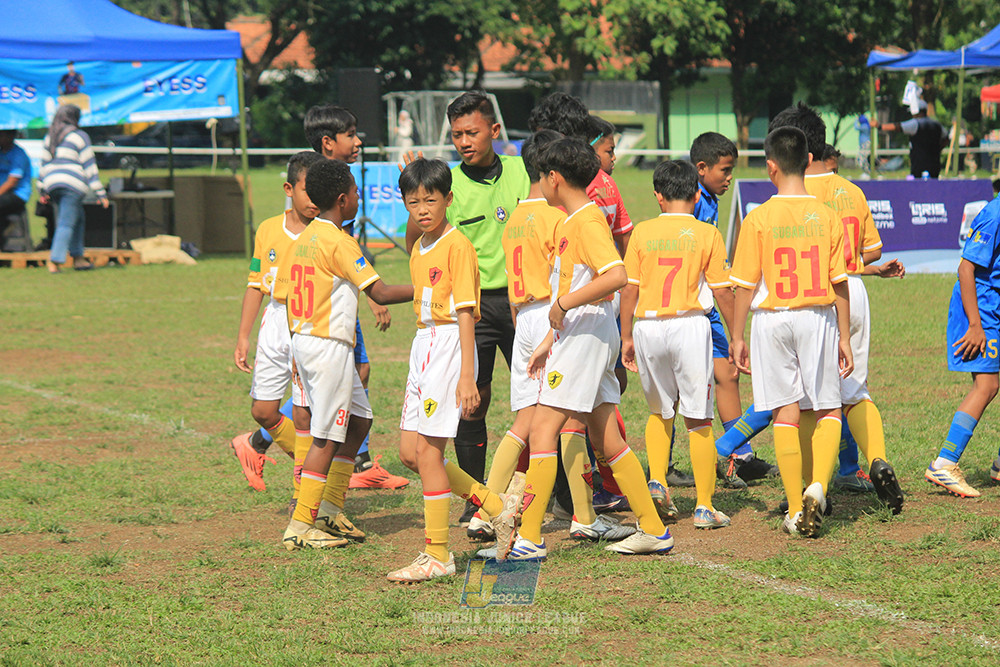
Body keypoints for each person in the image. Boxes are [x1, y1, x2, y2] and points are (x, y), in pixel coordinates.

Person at [494, 137, 673, 560]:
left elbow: (617, 275)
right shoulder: (574, 220)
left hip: (588, 334)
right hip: (581, 333)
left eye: (541, 176)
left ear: (554, 178)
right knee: (605, 435)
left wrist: (562, 306)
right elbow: (575, 286)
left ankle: (530, 538)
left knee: (542, 429)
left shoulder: (585, 222)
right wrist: (548, 339)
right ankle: (653, 529)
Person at [470, 129, 635, 545]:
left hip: (522, 317)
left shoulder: (513, 218)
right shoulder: (560, 214)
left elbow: (511, 282)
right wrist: (554, 321)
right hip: (556, 317)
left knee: (530, 421)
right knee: (560, 424)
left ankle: (489, 511)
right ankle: (559, 517)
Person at [390, 158, 523, 581]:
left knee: (430, 452)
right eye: (414, 202)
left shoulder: (459, 245)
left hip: (449, 345)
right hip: (423, 345)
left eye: (431, 200)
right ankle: (496, 506)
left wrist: (468, 375)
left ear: (448, 199)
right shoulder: (418, 246)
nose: (423, 209)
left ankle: (438, 555)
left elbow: (467, 313)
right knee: (410, 454)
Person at [404, 91, 530, 528]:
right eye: (456, 134)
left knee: (539, 400)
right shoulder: (447, 187)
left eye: (472, 132)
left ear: (494, 131)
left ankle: (551, 492)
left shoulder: (522, 171)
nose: (464, 142)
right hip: (471, 309)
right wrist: (416, 192)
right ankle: (476, 501)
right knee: (470, 405)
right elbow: (420, 245)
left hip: (523, 304)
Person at [774, 103, 905, 514]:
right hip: (855, 289)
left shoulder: (791, 194)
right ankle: (877, 457)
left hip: (810, 298)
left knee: (810, 401)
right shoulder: (852, 191)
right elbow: (872, 250)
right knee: (854, 391)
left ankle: (815, 487)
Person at [280, 158, 413, 550]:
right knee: (326, 436)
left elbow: (290, 295)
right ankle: (301, 526)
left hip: (307, 341)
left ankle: (329, 510)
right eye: (355, 192)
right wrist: (431, 287)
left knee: (359, 422)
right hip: (327, 347)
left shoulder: (305, 236)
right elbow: (381, 293)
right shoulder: (339, 241)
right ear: (342, 199)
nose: (359, 197)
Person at [729, 126, 853, 538]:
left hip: (771, 320)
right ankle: (819, 484)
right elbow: (840, 283)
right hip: (817, 316)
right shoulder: (828, 216)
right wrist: (846, 336)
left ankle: (796, 505)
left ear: (770, 167)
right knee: (828, 409)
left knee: (784, 410)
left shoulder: (758, 217)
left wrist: (737, 335)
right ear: (808, 162)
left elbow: (744, 286)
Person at [620, 159, 735, 530]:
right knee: (698, 417)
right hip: (689, 326)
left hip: (648, 327)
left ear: (657, 196)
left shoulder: (641, 232)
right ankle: (703, 506)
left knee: (659, 411)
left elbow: (630, 288)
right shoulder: (707, 234)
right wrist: (737, 336)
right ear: (694, 192)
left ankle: (656, 480)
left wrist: (625, 335)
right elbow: (722, 292)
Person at [230, 151, 324, 492]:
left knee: (304, 415)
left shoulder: (327, 232)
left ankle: (304, 490)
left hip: (311, 321)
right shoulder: (269, 229)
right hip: (275, 320)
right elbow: (256, 284)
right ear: (289, 188)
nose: (314, 199)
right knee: (263, 410)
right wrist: (244, 336)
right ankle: (312, 471)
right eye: (306, 190)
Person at [690, 132, 778, 488]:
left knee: (727, 373)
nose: (730, 178)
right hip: (693, 304)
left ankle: (737, 455)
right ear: (701, 168)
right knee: (688, 386)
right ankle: (671, 466)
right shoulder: (694, 199)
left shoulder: (707, 197)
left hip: (703, 302)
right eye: (725, 171)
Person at [925, 195, 1000, 498]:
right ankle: (945, 462)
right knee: (987, 385)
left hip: (993, 305)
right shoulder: (995, 214)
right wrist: (975, 325)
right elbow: (965, 269)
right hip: (981, 308)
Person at [39, 104, 108, 274]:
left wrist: (42, 189)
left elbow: (43, 164)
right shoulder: (80, 136)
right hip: (72, 184)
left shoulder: (50, 136)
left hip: (52, 183)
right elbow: (89, 165)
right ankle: (54, 261)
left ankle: (79, 259)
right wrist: (101, 193)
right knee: (66, 223)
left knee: (77, 218)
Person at [874, 100, 946, 179]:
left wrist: (880, 126)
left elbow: (898, 127)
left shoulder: (915, 123)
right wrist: (938, 149)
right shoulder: (936, 124)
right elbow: (946, 138)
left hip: (919, 165)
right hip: (934, 165)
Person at [0, 129, 32, 251]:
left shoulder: (19, 154)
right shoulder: (1, 153)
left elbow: (12, 182)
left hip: (17, 194)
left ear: (10, 136)